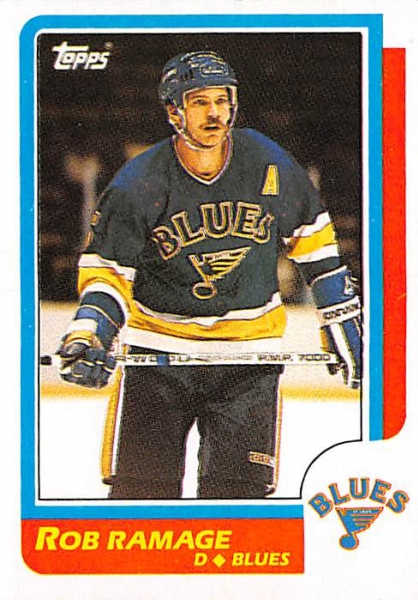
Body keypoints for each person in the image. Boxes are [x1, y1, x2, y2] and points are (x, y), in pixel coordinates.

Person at [58, 51, 362, 500]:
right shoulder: (138, 181)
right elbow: (108, 275)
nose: (215, 113)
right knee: (140, 502)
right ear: (173, 111)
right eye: (200, 101)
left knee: (237, 504)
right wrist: (90, 333)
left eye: (222, 100)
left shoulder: (267, 161)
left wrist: (341, 314)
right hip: (158, 358)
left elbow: (315, 245)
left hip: (248, 360)